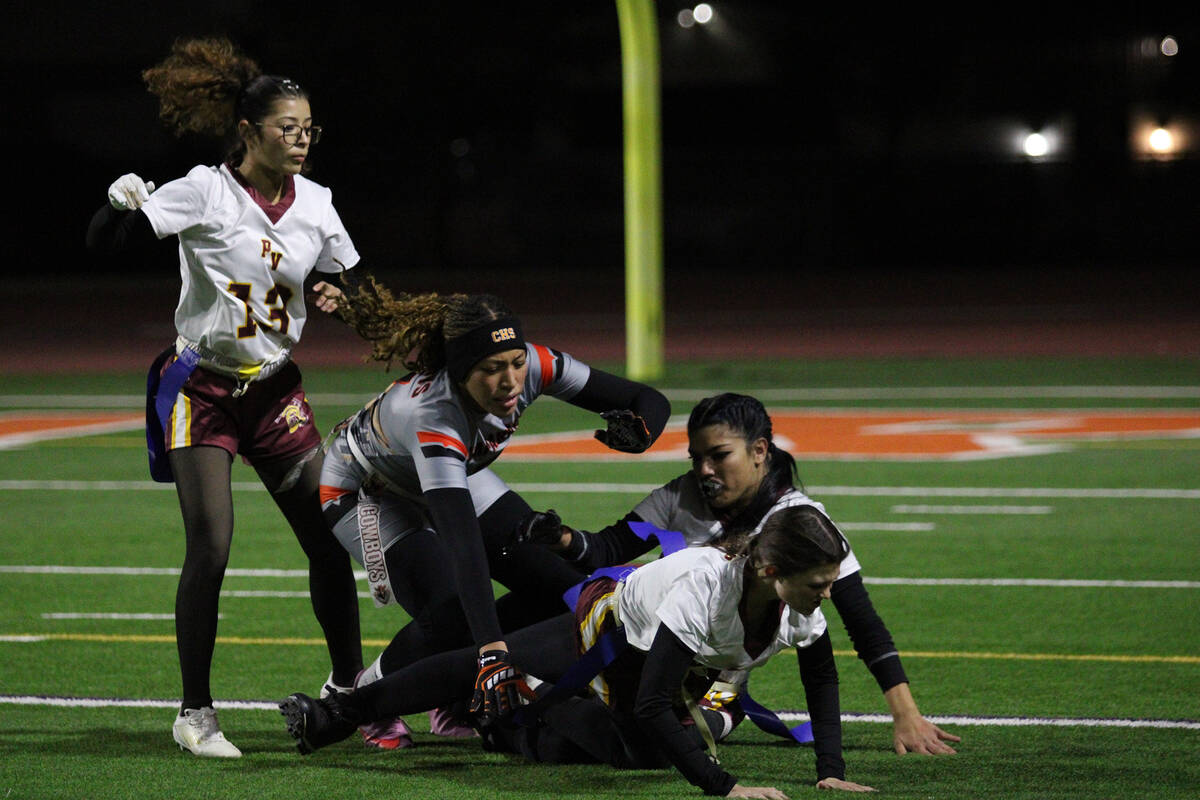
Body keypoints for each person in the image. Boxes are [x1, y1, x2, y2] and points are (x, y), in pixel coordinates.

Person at [85, 37, 365, 757]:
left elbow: (353, 279)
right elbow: (103, 247)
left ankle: (347, 689)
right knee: (211, 545)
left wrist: (340, 292)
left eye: (309, 128)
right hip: (202, 388)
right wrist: (117, 206)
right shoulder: (206, 190)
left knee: (328, 540)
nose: (301, 139)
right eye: (287, 128)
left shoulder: (320, 204)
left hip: (274, 391)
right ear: (249, 132)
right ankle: (195, 713)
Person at [280, 504, 877, 796]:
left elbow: (822, 682)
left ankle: (518, 714)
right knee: (486, 660)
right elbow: (649, 701)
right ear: (770, 569)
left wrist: (832, 773)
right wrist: (727, 788)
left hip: (664, 665)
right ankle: (338, 714)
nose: (830, 593)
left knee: (640, 757)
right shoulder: (706, 590)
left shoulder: (793, 609)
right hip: (604, 630)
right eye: (820, 581)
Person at [313, 281, 671, 746]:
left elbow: (647, 400)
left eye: (517, 363)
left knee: (564, 589)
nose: (510, 381)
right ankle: (365, 695)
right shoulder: (433, 414)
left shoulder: (536, 364)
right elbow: (465, 549)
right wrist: (491, 650)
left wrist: (643, 431)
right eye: (492, 369)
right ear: (461, 371)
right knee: (455, 614)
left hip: (450, 473)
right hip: (369, 489)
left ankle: (452, 696)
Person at [513, 393, 959, 756]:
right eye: (696, 457)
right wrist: (561, 538)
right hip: (629, 634)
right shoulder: (679, 498)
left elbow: (862, 621)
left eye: (720, 456)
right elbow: (610, 548)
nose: (704, 471)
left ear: (760, 451)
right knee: (488, 655)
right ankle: (521, 692)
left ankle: (529, 710)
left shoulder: (798, 523)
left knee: (662, 743)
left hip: (714, 675)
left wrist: (905, 713)